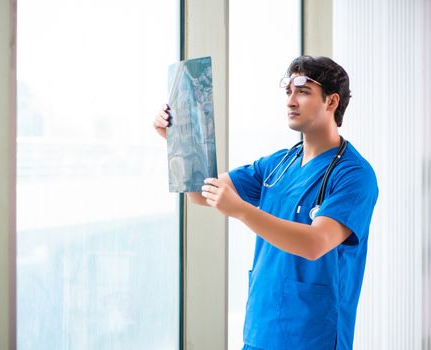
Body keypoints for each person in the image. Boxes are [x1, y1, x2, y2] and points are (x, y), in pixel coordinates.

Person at [153, 55, 378, 350]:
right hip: (261, 332)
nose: (291, 101)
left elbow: (315, 243)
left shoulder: (353, 174)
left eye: (303, 91)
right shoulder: (277, 164)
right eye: (288, 92)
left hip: (313, 337)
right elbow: (201, 193)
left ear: (331, 102)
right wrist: (179, 140)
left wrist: (243, 211)